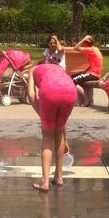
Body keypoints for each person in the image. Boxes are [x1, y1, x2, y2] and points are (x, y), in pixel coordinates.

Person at [27, 62, 78, 191]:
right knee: (59, 131)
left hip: (50, 92)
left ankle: (45, 182)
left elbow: (32, 95)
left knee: (48, 136)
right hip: (70, 90)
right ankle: (59, 177)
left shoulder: (33, 70)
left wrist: (43, 117)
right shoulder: (58, 69)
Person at [69, 35, 103, 107]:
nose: (82, 45)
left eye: (83, 44)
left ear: (85, 44)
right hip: (92, 73)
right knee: (70, 77)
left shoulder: (91, 50)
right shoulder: (94, 49)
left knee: (73, 81)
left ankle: (86, 99)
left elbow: (76, 47)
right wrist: (83, 72)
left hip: (93, 74)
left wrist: (84, 38)